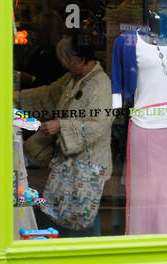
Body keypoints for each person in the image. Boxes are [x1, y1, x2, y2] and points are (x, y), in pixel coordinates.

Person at [18, 33, 113, 236]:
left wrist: (61, 125)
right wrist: (16, 98)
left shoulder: (100, 84)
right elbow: (47, 95)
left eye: (65, 60)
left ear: (79, 60)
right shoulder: (73, 77)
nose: (63, 65)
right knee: (67, 212)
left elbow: (98, 124)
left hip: (89, 164)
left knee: (85, 215)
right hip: (68, 164)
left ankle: (88, 254)